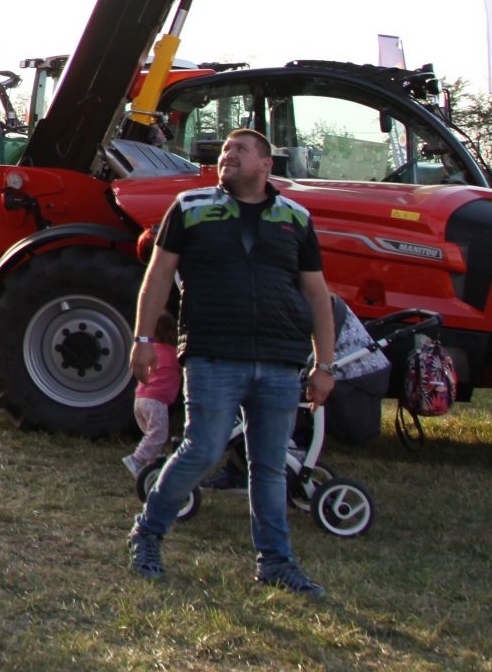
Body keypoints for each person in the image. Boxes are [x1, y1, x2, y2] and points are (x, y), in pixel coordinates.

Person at [126, 127, 339, 597]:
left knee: (268, 465)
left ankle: (276, 563)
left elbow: (317, 295)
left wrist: (325, 365)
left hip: (280, 361)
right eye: (225, 149)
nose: (228, 155)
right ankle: (148, 534)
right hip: (213, 353)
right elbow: (158, 275)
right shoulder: (190, 208)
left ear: (266, 164)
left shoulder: (295, 217)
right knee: (202, 450)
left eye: (240, 150)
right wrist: (142, 338)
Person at [122, 307, 181, 480]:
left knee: (152, 436)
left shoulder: (149, 351)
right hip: (156, 402)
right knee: (159, 435)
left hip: (140, 401)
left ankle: (153, 466)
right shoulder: (173, 353)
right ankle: (136, 459)